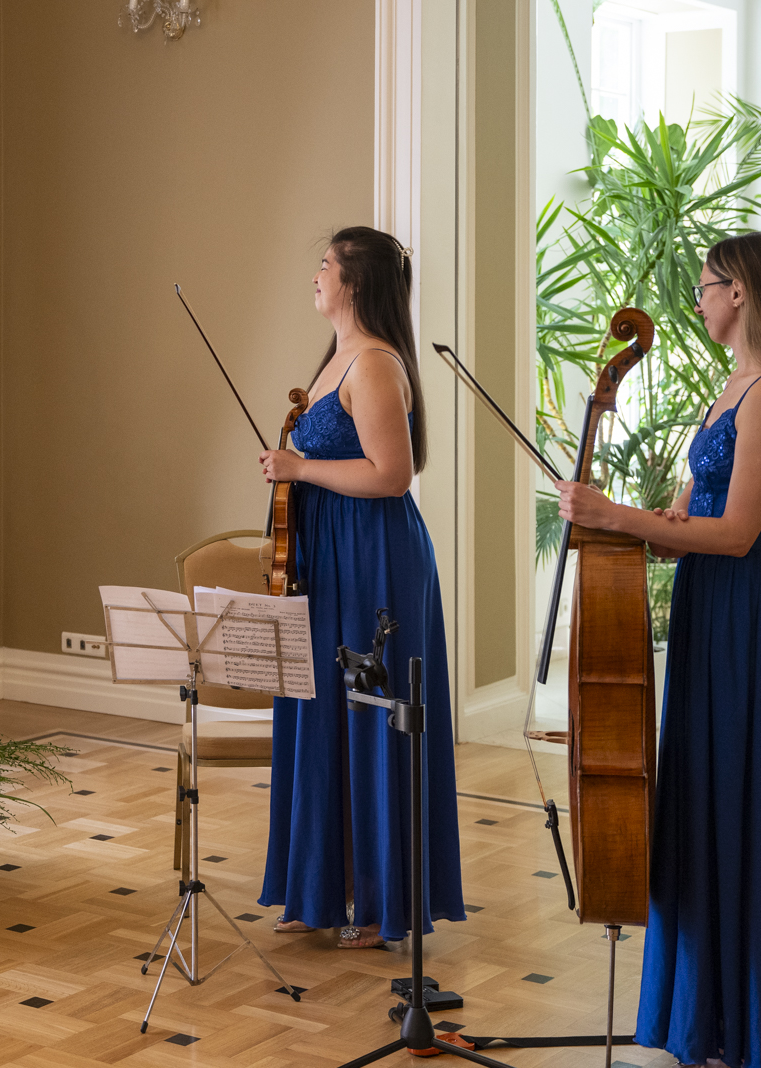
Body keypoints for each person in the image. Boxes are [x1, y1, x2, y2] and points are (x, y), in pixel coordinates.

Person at [556, 232, 761, 1066]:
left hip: (746, 619)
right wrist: (639, 523)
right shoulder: (733, 386)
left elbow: (741, 532)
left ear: (740, 292)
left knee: (740, 801)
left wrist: (616, 515)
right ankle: (709, 1018)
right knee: (707, 798)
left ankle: (750, 1024)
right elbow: (689, 523)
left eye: (707, 286)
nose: (698, 300)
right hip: (707, 609)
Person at [257, 226, 465, 949]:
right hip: (331, 555)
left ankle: (380, 903)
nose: (315, 275)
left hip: (373, 559)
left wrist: (297, 468)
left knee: (369, 717)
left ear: (355, 282)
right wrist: (292, 470)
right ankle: (322, 887)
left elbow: (391, 475)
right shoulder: (336, 359)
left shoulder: (374, 363)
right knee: (322, 713)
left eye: (325, 265)